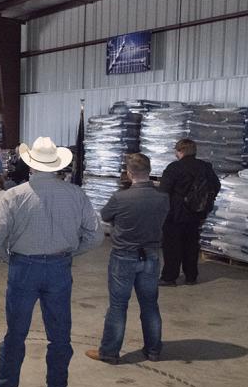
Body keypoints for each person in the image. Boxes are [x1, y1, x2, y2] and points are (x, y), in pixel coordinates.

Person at [0, 137, 103, 387]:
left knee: (15, 334)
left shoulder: (15, 195)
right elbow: (96, 236)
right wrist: (73, 252)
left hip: (24, 267)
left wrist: (7, 257)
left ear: (30, 165)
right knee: (60, 334)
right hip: (59, 267)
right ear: (57, 166)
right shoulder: (75, 194)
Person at [86, 153, 169, 364]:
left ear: (129, 173)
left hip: (124, 255)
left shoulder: (120, 198)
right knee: (150, 304)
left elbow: (105, 216)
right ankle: (153, 350)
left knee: (118, 305)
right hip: (151, 254)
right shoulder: (163, 197)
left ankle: (109, 351)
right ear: (149, 172)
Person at [159, 139, 221, 286]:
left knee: (172, 246)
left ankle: (169, 277)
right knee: (191, 245)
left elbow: (163, 191)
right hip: (197, 213)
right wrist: (204, 203)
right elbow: (216, 186)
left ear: (179, 151)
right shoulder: (205, 167)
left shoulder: (174, 168)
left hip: (175, 213)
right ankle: (191, 276)